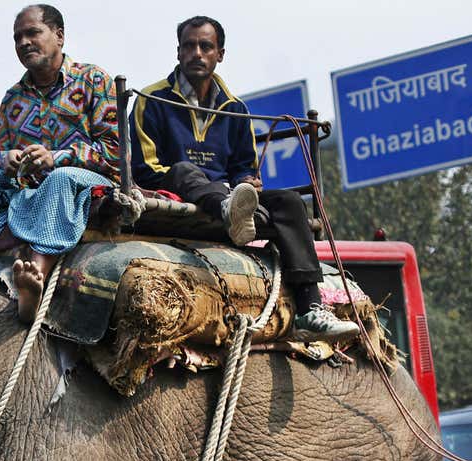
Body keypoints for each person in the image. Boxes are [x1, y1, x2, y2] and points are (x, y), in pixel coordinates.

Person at [130, 15, 359, 342]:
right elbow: (144, 168)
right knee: (184, 169)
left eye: (205, 46)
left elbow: (243, 166)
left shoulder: (235, 109)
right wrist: (220, 193)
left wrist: (248, 182)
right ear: (178, 53)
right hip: (174, 188)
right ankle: (229, 209)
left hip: (231, 196)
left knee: (290, 202)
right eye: (189, 46)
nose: (197, 52)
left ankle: (310, 308)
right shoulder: (151, 100)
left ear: (219, 54)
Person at [0, 4, 120, 320]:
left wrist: (57, 158)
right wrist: (9, 159)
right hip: (27, 186)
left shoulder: (94, 80)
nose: (24, 43)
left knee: (61, 177)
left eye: (33, 33)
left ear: (59, 36)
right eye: (17, 37)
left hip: (84, 183)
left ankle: (35, 278)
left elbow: (114, 152)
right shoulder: (13, 97)